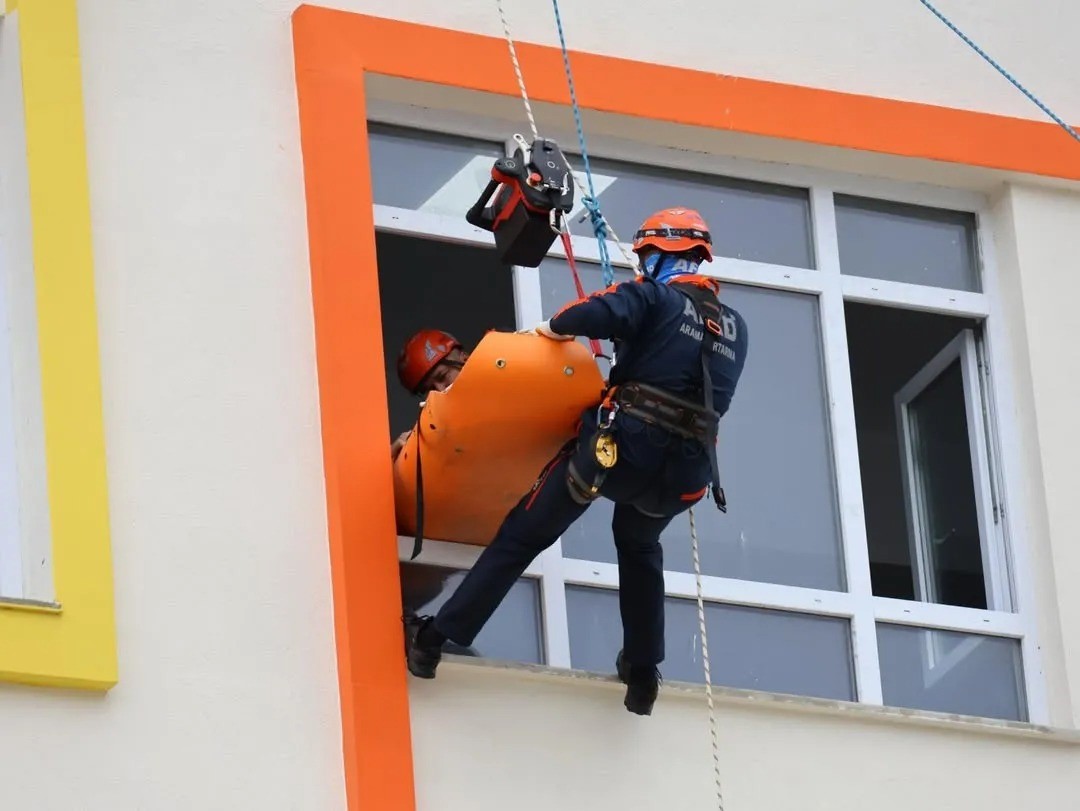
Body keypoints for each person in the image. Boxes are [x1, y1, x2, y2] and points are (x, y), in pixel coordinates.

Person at [404, 208, 749, 716]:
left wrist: (545, 332)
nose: (640, 265)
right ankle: (642, 674)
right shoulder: (736, 329)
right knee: (640, 549)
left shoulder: (652, 296)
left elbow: (579, 316)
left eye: (645, 257)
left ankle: (435, 640)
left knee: (525, 533)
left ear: (660, 254)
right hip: (686, 475)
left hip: (622, 449)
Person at [391, 329, 470, 460]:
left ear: (465, 358)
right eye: (430, 389)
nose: (439, 389)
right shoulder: (434, 443)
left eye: (443, 376)